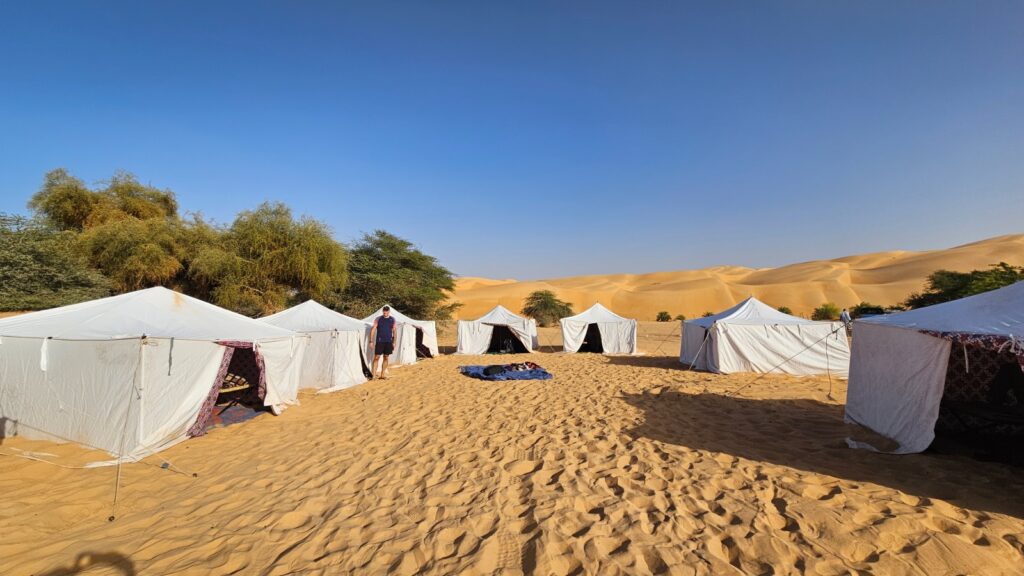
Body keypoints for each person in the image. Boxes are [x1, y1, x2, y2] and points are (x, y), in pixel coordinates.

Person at [369, 306, 397, 379]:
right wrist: (371, 341)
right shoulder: (378, 319)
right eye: (384, 311)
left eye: (386, 311)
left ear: (389, 312)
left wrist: (394, 342)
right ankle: (374, 376)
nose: (385, 312)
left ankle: (383, 375)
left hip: (388, 341)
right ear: (382, 311)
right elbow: (373, 329)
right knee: (376, 357)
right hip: (380, 341)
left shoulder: (392, 319)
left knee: (386, 357)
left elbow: (394, 331)